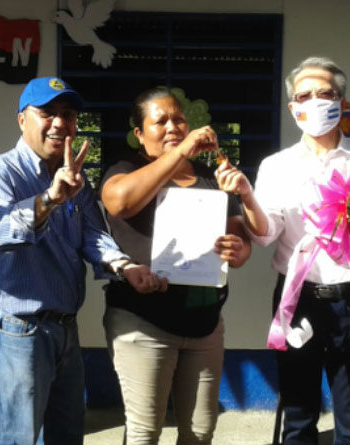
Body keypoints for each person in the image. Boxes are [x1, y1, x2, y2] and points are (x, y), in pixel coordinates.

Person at [215, 56, 350, 444]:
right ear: (293, 108)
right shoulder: (276, 166)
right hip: (298, 298)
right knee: (299, 410)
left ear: (342, 102)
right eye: (305, 95)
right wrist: (246, 195)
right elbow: (267, 233)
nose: (316, 102)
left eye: (327, 93)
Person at [0, 77, 161, 445]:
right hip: (15, 329)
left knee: (67, 437)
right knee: (18, 440)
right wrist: (49, 199)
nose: (59, 123)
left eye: (68, 114)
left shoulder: (78, 179)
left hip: (63, 330)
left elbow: (92, 234)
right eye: (47, 112)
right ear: (21, 119)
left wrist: (124, 266)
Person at [100, 87, 252, 444]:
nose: (172, 126)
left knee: (200, 431)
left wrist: (240, 250)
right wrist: (181, 152)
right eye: (161, 120)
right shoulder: (125, 168)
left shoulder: (208, 176)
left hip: (205, 322)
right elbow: (119, 203)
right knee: (145, 432)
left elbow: (238, 236)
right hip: (143, 321)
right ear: (139, 133)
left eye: (179, 119)